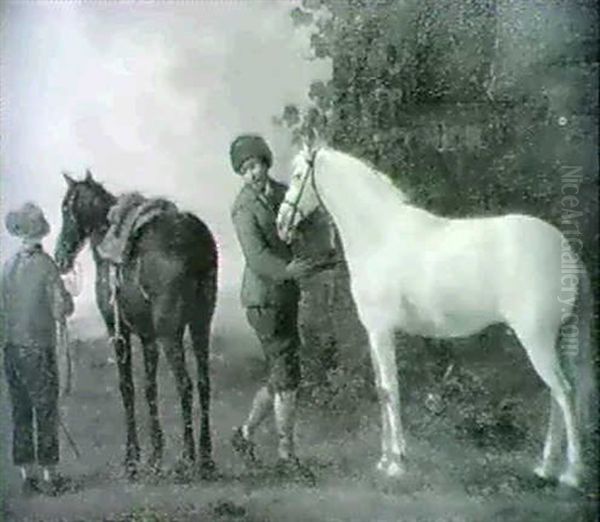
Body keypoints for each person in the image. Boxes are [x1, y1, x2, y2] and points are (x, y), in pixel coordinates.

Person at [228, 134, 317, 480]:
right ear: (241, 174)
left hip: (286, 295)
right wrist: (289, 270)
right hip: (263, 300)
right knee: (287, 378)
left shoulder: (282, 193)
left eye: (256, 165)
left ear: (266, 162)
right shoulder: (243, 207)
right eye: (245, 169)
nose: (252, 173)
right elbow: (257, 257)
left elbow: (302, 225)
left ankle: (246, 434)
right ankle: (286, 456)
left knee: (279, 374)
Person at [2, 202, 74, 495]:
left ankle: (25, 476)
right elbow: (60, 310)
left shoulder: (6, 267)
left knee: (20, 411)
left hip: (11, 350)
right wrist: (69, 298)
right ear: (41, 233)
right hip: (38, 349)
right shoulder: (46, 266)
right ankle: (49, 476)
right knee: (45, 410)